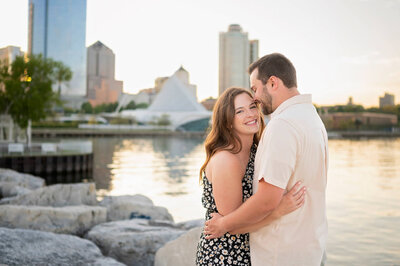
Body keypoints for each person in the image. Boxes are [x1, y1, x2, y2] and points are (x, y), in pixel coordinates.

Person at [204, 53, 329, 266]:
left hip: (280, 252)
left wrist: (224, 223)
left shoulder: (282, 126)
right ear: (227, 121)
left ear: (272, 83)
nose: (255, 101)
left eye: (254, 90)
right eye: (239, 111)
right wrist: (225, 224)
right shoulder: (312, 119)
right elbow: (267, 204)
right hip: (239, 253)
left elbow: (266, 201)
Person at [196, 87, 306, 265]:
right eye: (240, 111)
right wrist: (279, 210)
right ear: (228, 122)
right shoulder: (226, 160)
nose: (250, 114)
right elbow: (233, 226)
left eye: (252, 107)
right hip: (224, 255)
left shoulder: (258, 150)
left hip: (253, 249)